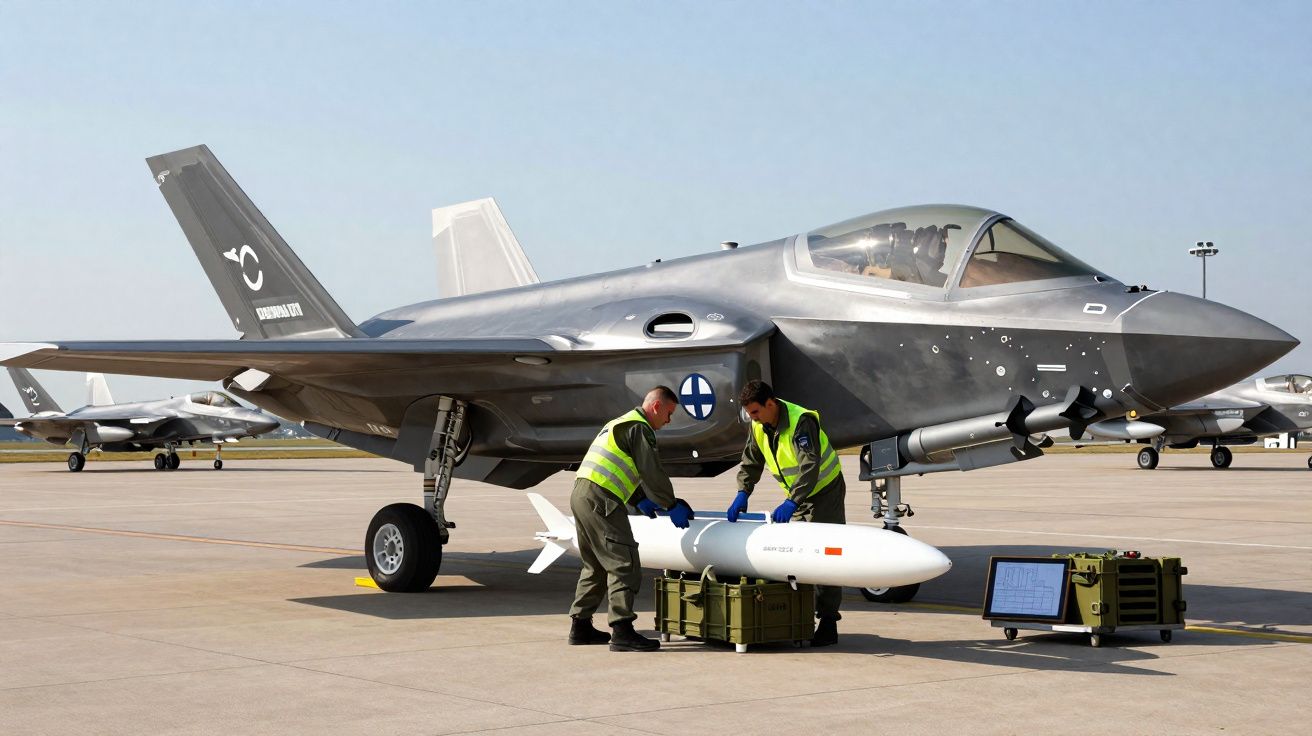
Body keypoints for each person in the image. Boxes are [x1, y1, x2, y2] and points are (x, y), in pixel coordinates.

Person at [568, 385, 695, 652]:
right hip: (602, 499)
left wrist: (638, 499)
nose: (669, 420)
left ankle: (580, 627)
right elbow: (652, 471)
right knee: (624, 562)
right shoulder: (640, 427)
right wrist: (671, 504)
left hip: (582, 494)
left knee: (596, 565)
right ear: (656, 406)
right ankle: (622, 630)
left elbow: (620, 466)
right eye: (669, 413)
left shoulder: (619, 423)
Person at [725, 379, 846, 647]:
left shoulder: (801, 421)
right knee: (800, 556)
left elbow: (809, 465)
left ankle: (828, 622)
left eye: (755, 412)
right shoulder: (759, 425)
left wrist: (792, 501)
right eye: (749, 414)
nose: (752, 419)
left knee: (824, 555)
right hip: (799, 495)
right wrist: (742, 492)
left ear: (771, 404)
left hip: (824, 491)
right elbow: (751, 460)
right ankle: (800, 618)